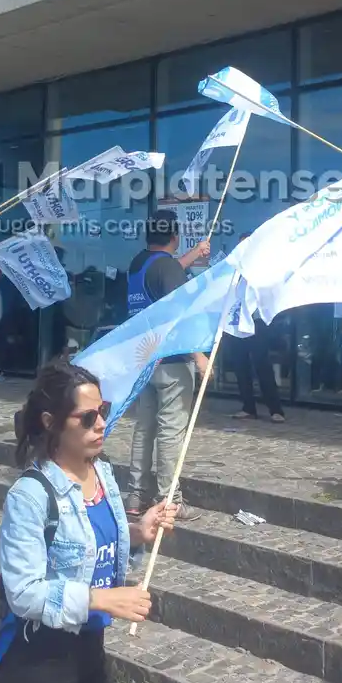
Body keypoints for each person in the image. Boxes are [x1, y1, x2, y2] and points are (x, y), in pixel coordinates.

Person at [0, 361, 178, 683]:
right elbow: (23, 593)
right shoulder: (30, 495)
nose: (100, 424)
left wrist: (140, 532)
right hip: (35, 663)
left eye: (104, 411)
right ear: (51, 422)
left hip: (89, 656)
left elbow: (96, 549)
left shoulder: (103, 473)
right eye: (87, 417)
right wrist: (103, 600)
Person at [122, 211, 209, 517]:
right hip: (172, 361)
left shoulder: (138, 264)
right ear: (175, 236)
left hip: (145, 360)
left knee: (144, 428)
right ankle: (169, 499)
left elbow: (164, 279)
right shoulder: (167, 268)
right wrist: (199, 356)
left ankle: (135, 495)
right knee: (171, 431)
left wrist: (194, 254)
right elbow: (179, 313)